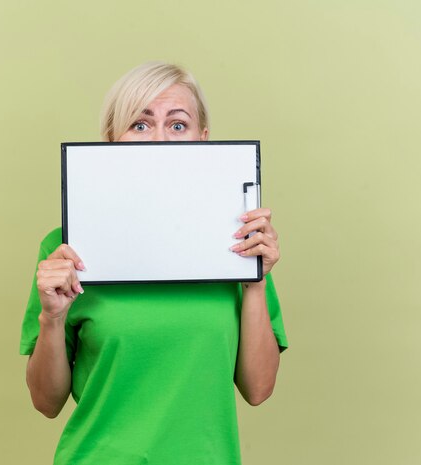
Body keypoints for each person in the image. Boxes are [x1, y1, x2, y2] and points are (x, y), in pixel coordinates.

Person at [20, 62, 288, 464]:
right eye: (140, 125)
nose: (159, 139)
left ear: (203, 139)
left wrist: (254, 283)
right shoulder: (65, 248)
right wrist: (52, 319)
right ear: (112, 140)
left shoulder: (239, 246)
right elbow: (46, 401)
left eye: (178, 125)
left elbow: (258, 389)